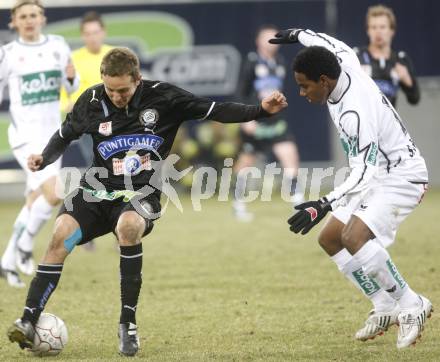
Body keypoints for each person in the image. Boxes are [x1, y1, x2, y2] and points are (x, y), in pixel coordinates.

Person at [6, 47, 287, 356]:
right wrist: (43, 159)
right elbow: (64, 134)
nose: (116, 96)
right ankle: (28, 320)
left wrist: (260, 111)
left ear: (137, 79)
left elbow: (215, 109)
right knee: (60, 233)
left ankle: (128, 324)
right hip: (97, 191)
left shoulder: (164, 97)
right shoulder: (91, 100)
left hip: (143, 193)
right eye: (111, 89)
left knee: (128, 227)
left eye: (123, 89)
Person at [269, 28, 432, 349]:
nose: (302, 93)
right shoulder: (343, 63)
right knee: (330, 239)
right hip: (378, 173)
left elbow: (364, 173)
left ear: (324, 82)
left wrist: (323, 203)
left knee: (353, 237)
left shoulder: (356, 112)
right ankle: (385, 306)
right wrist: (299, 34)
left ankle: (412, 304)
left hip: (401, 176)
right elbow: (331, 43)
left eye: (304, 86)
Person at [0, 0, 79, 287]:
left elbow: (71, 85)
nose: (29, 20)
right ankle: (24, 245)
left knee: (36, 199)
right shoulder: (8, 53)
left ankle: (8, 260)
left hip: (51, 136)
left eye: (34, 15)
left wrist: (71, 77)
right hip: (24, 137)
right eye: (23, 16)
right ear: (14, 22)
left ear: (42, 18)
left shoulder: (57, 45)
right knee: (55, 191)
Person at [233, 25, 302, 222]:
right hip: (255, 120)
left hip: (276, 122)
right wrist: (245, 118)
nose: (271, 42)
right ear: (258, 41)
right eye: (266, 38)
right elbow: (241, 92)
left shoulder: (280, 62)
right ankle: (238, 205)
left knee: (290, 155)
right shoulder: (251, 62)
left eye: (274, 38)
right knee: (246, 163)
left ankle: (297, 201)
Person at [61, 11, 113, 251]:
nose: (92, 37)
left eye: (96, 32)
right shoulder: (73, 60)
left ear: (103, 32)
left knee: (115, 176)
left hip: (118, 128)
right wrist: (72, 106)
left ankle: (120, 229)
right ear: (83, 35)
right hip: (89, 129)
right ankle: (86, 230)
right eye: (88, 33)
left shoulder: (115, 56)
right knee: (99, 175)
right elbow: (63, 98)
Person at [354, 4, 420, 107]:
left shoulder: (400, 59)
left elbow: (415, 99)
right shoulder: (357, 56)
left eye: (382, 27)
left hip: (389, 121)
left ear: (392, 30)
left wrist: (407, 80)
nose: (378, 31)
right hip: (362, 121)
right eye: (373, 27)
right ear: (368, 31)